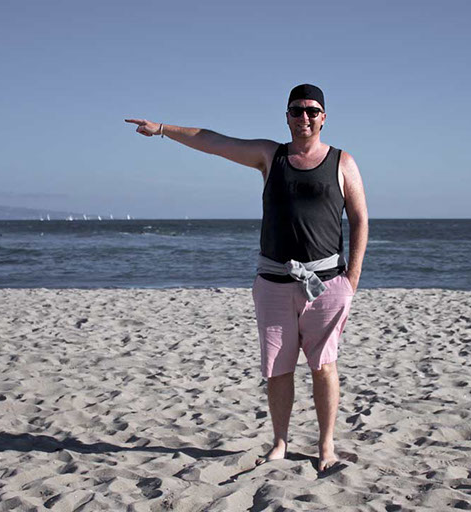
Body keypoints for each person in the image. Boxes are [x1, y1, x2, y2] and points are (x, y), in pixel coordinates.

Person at [125, 83, 368, 474]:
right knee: (278, 367)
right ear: (286, 116)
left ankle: (326, 446)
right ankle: (280, 443)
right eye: (296, 110)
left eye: (311, 111)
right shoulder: (270, 156)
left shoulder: (342, 162)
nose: (303, 117)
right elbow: (215, 141)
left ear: (323, 117)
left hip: (325, 285)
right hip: (273, 282)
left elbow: (359, 219)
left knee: (324, 366)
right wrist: (162, 129)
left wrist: (352, 278)